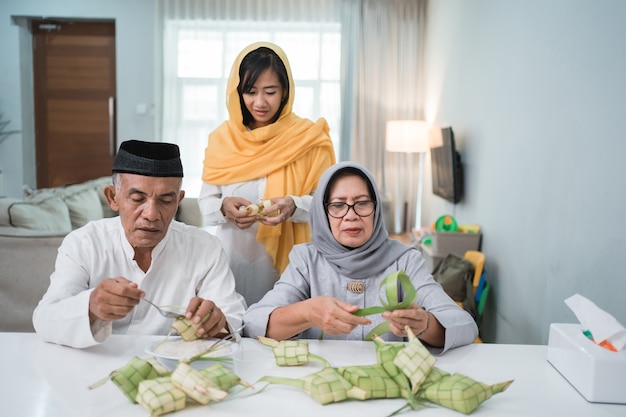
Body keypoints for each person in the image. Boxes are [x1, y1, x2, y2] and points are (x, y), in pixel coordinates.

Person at [243, 161, 478, 353]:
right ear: (322, 213)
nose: (351, 215)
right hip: (321, 384)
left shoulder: (405, 259)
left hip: (387, 385)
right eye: (338, 205)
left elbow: (464, 325)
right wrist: (307, 312)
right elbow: (253, 322)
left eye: (362, 203)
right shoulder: (306, 260)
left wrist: (425, 324)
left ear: (376, 209)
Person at [33, 140, 246, 349]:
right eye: (137, 199)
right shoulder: (84, 243)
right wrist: (91, 306)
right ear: (112, 197)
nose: (151, 214)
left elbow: (234, 321)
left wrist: (217, 323)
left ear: (178, 201)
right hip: (93, 365)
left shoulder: (205, 248)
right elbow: (45, 320)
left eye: (165, 200)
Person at [199, 42, 336, 306]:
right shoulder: (221, 140)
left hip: (292, 269)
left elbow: (329, 204)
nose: (260, 102)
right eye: (250, 92)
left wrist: (294, 205)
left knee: (283, 336)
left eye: (270, 91)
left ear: (285, 91)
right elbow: (205, 206)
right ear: (237, 92)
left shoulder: (308, 138)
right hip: (231, 265)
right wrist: (224, 208)